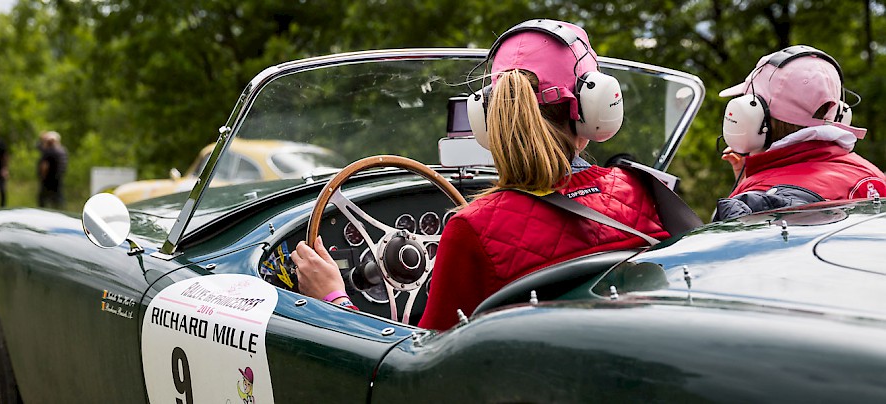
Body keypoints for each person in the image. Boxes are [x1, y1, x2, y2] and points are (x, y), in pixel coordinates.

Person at [292, 20, 670, 330]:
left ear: (488, 120)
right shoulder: (642, 191)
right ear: (595, 106)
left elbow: (415, 368)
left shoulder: (473, 229)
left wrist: (333, 297)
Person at [714, 45, 886, 221]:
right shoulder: (873, 177)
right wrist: (749, 180)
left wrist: (748, 191)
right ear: (840, 114)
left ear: (752, 117)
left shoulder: (756, 206)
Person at [38, 131, 68, 209]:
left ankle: (44, 211)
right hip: (58, 177)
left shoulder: (49, 151)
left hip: (49, 178)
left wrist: (43, 176)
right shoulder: (62, 150)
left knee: (43, 198)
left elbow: (45, 166)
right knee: (58, 196)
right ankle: (59, 209)